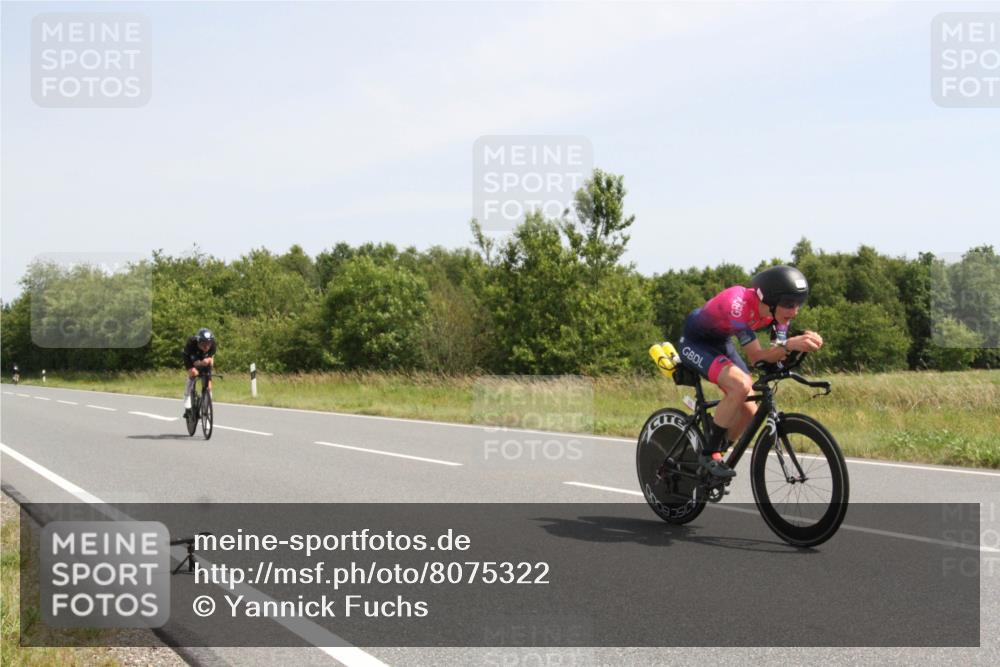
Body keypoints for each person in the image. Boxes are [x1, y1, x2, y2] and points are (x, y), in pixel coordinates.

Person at [677, 265, 823, 478]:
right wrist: (790, 345)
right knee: (740, 386)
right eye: (789, 304)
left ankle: (718, 446)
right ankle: (709, 454)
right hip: (695, 342)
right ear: (770, 300)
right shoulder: (738, 306)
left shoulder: (777, 314)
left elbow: (776, 354)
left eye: (799, 304)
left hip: (721, 341)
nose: (795, 311)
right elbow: (757, 358)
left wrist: (802, 344)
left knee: (749, 410)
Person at [183, 328, 216, 419]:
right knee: (194, 373)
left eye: (208, 344)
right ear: (198, 342)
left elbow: (212, 360)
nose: (206, 347)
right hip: (190, 357)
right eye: (203, 344)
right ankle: (186, 395)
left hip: (204, 359)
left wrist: (209, 360)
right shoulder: (192, 344)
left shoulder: (213, 345)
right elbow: (196, 363)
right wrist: (203, 363)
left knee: (208, 386)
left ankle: (206, 407)